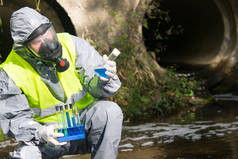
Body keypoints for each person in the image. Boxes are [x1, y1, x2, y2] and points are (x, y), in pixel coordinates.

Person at [0, 7, 123, 159]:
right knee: (25, 155)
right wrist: (40, 132)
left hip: (83, 129)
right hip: (48, 139)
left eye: (48, 33)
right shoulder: (10, 71)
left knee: (109, 111)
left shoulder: (71, 44)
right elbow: (14, 119)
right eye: (38, 41)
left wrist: (103, 80)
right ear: (24, 47)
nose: (49, 43)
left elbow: (100, 91)